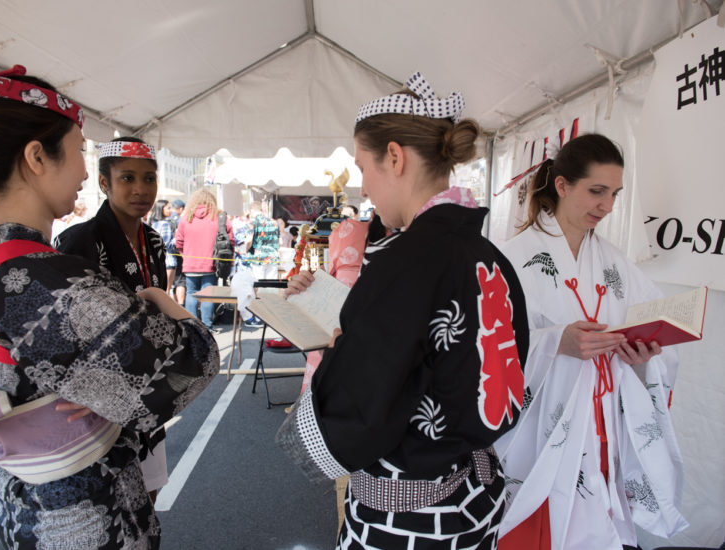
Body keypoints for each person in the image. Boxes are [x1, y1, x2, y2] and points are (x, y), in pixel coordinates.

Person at [0, 63, 219, 549]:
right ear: (37, 157)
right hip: (79, 515)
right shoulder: (38, 278)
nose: (82, 170)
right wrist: (165, 304)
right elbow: (190, 362)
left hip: (33, 499)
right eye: (79, 152)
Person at [276, 72, 529, 549]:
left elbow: (361, 402)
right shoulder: (487, 256)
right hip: (476, 496)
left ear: (394, 158)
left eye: (363, 167)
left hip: (410, 515)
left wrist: (340, 353)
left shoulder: (404, 264)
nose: (364, 186)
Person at [494, 134, 687, 550]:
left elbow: (651, 325)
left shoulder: (615, 262)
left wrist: (642, 357)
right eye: (596, 191)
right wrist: (554, 343)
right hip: (545, 430)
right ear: (562, 185)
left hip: (604, 427)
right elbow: (486, 347)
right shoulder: (512, 258)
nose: (607, 206)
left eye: (615, 194)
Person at [55, 137, 173, 502]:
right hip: (98, 406)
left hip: (148, 393)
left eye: (149, 178)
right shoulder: (79, 241)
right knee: (111, 511)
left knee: (148, 506)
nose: (141, 189)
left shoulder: (152, 240)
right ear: (104, 183)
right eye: (127, 178)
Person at [174, 187, 233, 332]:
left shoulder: (186, 218)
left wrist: (185, 255)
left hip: (190, 263)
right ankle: (207, 325)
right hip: (211, 264)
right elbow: (230, 240)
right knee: (207, 295)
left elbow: (178, 242)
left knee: (191, 294)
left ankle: (192, 327)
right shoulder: (219, 217)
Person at [150, 198, 179, 292]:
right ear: (161, 209)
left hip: (156, 261)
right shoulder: (165, 224)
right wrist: (176, 238)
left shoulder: (153, 223)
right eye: (168, 208)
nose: (171, 210)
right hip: (168, 260)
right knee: (166, 290)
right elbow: (166, 244)